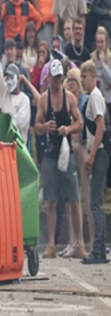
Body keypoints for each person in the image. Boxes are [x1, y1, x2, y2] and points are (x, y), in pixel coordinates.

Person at [35, 59, 85, 259]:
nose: (57, 82)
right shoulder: (44, 100)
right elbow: (36, 127)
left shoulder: (70, 98)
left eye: (59, 79)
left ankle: (80, 242)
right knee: (52, 200)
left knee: (74, 198)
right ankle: (51, 244)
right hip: (49, 153)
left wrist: (68, 129)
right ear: (48, 78)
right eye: (54, 78)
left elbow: (79, 122)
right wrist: (46, 126)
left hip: (66, 152)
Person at [80, 60, 110, 264]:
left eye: (84, 77)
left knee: (95, 203)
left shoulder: (95, 98)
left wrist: (90, 156)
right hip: (98, 153)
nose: (82, 80)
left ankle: (98, 251)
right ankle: (99, 248)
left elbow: (100, 127)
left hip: (99, 153)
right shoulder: (93, 97)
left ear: (93, 77)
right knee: (95, 203)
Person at [65, 68, 94, 252]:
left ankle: (92, 240)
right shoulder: (66, 101)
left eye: (72, 81)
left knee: (88, 195)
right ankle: (74, 241)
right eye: (68, 81)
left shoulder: (83, 100)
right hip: (69, 147)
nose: (70, 84)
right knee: (71, 196)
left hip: (82, 145)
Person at [2, 64, 31, 144]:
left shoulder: (24, 100)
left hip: (18, 147)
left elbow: (18, 124)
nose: (9, 82)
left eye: (12, 78)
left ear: (18, 79)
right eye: (7, 78)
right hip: (4, 146)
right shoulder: (4, 96)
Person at [90, 27, 111, 116]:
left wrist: (103, 64)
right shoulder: (92, 57)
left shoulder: (110, 58)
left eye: (102, 42)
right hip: (96, 97)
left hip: (108, 98)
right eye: (98, 42)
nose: (100, 45)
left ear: (106, 43)